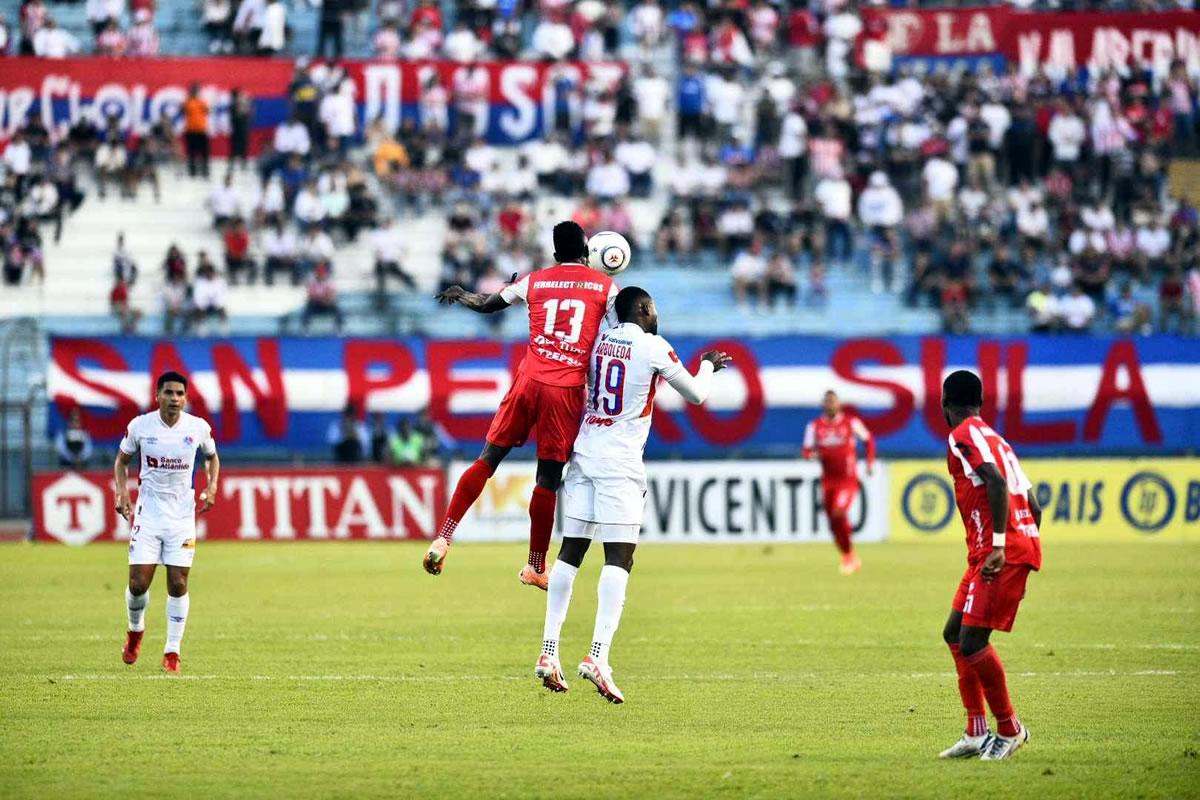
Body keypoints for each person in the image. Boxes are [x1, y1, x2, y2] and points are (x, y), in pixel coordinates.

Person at [536, 286, 731, 703]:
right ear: (643, 310)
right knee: (619, 557)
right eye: (654, 308)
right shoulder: (652, 346)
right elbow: (697, 395)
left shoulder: (598, 339)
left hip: (584, 452)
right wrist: (708, 365)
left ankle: (549, 651)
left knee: (570, 553)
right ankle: (597, 656)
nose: (657, 314)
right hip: (620, 463)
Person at [423, 221, 617, 589]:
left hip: (528, 381)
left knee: (487, 459)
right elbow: (621, 330)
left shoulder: (535, 280)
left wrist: (462, 294)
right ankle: (535, 566)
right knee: (546, 479)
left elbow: (487, 304)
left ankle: (444, 536)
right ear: (586, 252)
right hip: (564, 390)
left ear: (557, 255)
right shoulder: (605, 287)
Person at [938, 370, 1041, 761]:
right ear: (980, 404)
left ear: (945, 405)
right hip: (996, 549)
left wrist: (1002, 547)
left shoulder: (961, 435)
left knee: (973, 642)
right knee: (953, 633)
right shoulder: (999, 439)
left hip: (998, 551)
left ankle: (1010, 729)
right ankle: (975, 731)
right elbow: (1033, 504)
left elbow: (995, 482)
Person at [115, 371, 220, 674]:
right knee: (138, 583)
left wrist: (212, 487)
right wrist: (122, 491)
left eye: (180, 394)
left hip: (181, 517)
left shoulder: (197, 428)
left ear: (185, 398)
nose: (175, 399)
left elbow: (212, 458)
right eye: (169, 393)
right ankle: (135, 631)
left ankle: (172, 651)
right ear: (157, 395)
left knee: (178, 583)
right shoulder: (140, 426)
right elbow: (121, 461)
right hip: (148, 515)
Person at [802, 390, 875, 576]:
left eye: (833, 401)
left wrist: (869, 462)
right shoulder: (815, 426)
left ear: (839, 404)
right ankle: (848, 555)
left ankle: (849, 555)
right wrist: (813, 455)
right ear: (823, 405)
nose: (830, 405)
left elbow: (868, 440)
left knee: (839, 511)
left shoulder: (851, 422)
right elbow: (806, 452)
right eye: (827, 402)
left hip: (847, 480)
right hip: (828, 482)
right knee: (833, 522)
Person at [182, 83, 210, 179]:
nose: (194, 92)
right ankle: (192, 171)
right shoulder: (187, 102)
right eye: (193, 90)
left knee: (204, 152)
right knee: (191, 152)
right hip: (191, 130)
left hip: (201, 130)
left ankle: (205, 171)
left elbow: (207, 111)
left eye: (196, 90)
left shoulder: (202, 101)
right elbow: (183, 110)